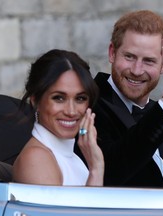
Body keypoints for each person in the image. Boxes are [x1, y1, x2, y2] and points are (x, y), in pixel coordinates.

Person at [75, 10, 163, 187]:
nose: (137, 70)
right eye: (129, 57)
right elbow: (110, 173)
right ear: (112, 53)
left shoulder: (157, 112)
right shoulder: (87, 105)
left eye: (149, 61)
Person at [13, 49, 104, 186]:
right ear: (35, 101)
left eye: (80, 98)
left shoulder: (69, 156)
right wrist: (96, 170)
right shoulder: (36, 158)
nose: (71, 111)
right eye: (59, 98)